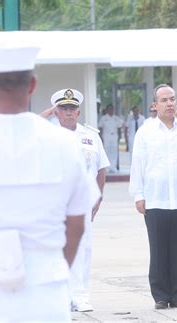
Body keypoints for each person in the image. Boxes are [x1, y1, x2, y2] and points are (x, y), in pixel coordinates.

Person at [0, 45, 94, 322]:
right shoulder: (64, 143)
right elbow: (77, 224)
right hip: (47, 294)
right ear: (32, 85)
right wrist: (51, 267)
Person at [129, 84, 177, 310]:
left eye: (172, 99)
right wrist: (138, 195)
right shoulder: (145, 132)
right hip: (155, 200)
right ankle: (161, 295)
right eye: (164, 100)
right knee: (159, 249)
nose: (170, 103)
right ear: (155, 105)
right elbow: (138, 165)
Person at [51, 88, 110, 312]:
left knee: (83, 248)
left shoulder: (90, 136)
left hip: (83, 202)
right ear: (56, 111)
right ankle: (62, 295)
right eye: (64, 108)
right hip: (56, 203)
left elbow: (101, 169)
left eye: (72, 108)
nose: (69, 112)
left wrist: (98, 198)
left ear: (78, 111)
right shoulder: (48, 136)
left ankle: (81, 295)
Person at [98, 104, 123, 173]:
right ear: (107, 110)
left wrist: (119, 137)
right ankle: (107, 168)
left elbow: (119, 128)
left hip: (114, 136)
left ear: (113, 110)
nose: (111, 110)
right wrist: (100, 138)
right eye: (109, 109)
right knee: (106, 152)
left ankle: (113, 167)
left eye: (112, 109)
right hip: (106, 136)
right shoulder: (103, 118)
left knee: (114, 152)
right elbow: (100, 128)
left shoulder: (116, 118)